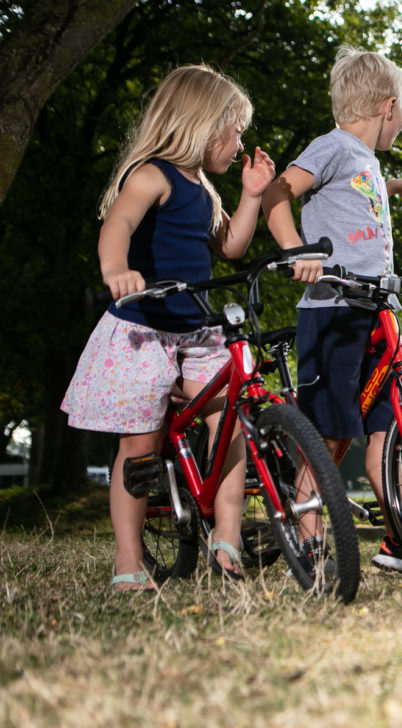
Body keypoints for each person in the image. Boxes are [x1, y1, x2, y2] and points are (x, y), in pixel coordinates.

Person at [61, 65, 275, 590]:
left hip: (195, 331)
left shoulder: (203, 188)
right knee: (140, 445)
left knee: (228, 421)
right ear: (203, 125)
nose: (239, 143)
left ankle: (226, 541)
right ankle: (129, 562)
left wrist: (250, 196)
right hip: (143, 330)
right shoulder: (151, 175)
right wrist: (116, 270)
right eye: (235, 131)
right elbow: (119, 223)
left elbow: (230, 247)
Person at [262, 45, 402, 574]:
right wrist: (297, 251)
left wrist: (394, 184)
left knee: (386, 430)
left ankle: (399, 540)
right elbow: (276, 194)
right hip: (334, 310)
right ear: (387, 106)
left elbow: (358, 192)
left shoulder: (366, 162)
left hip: (376, 309)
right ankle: (307, 546)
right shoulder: (331, 147)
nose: (401, 122)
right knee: (329, 433)